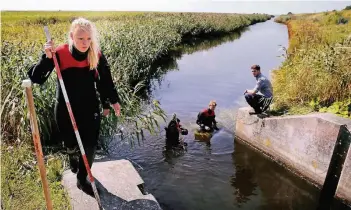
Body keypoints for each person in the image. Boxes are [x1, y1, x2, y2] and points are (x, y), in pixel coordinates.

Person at [27, 17, 121, 196]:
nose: (85, 43)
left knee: (90, 147)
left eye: (88, 39)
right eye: (80, 38)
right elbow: (36, 78)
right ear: (72, 36)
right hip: (65, 109)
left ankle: (82, 179)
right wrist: (46, 58)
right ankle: (72, 155)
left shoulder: (96, 55)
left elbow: (106, 82)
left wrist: (112, 101)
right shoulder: (60, 52)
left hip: (89, 108)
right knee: (71, 144)